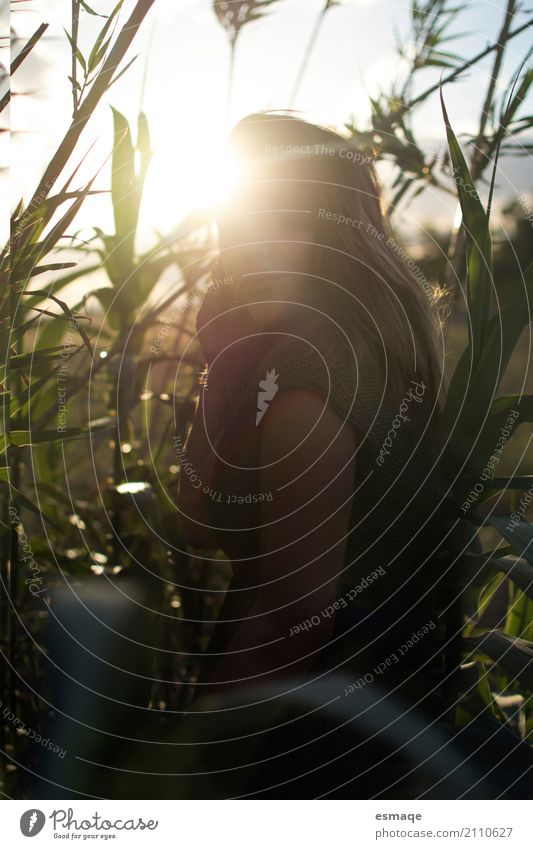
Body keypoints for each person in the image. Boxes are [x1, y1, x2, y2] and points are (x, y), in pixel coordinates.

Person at [176, 111, 450, 797]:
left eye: (280, 218)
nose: (243, 244)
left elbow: (286, 625)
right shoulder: (376, 353)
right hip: (395, 729)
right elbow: (199, 517)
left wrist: (186, 775)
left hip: (308, 753)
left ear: (333, 232)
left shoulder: (307, 382)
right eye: (237, 219)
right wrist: (228, 364)